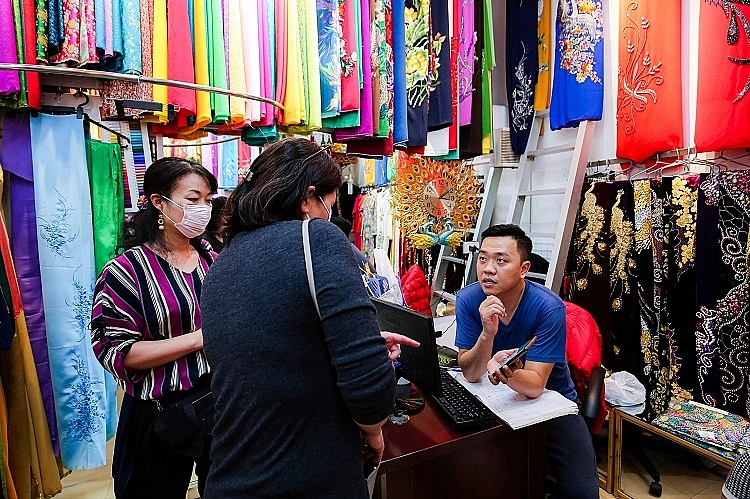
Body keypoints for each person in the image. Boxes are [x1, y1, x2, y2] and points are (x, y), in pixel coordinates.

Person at [200, 138, 411, 498]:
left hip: (233, 471)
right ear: (307, 198)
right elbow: (370, 397)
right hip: (305, 475)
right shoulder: (316, 238)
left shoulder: (225, 260)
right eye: (330, 204)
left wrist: (354, 345)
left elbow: (275, 354)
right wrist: (373, 409)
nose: (331, 214)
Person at [90, 157, 218, 499]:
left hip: (217, 405)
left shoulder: (213, 259)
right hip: (159, 412)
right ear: (159, 202)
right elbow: (118, 352)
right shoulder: (125, 271)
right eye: (192, 200)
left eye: (208, 200)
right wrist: (198, 340)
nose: (202, 209)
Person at [454, 224, 599, 499]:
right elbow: (471, 373)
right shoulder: (469, 298)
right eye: (482, 258)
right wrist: (487, 333)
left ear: (524, 268)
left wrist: (502, 372)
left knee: (582, 493)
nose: (487, 268)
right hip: (491, 397)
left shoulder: (548, 307)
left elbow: (534, 386)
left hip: (552, 402)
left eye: (501, 260)